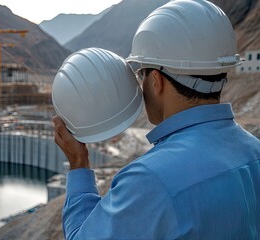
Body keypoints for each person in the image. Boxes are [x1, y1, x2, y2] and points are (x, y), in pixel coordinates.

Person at [53, 0, 260, 239]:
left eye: (141, 73)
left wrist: (79, 164)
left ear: (155, 80)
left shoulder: (149, 180)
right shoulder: (254, 151)